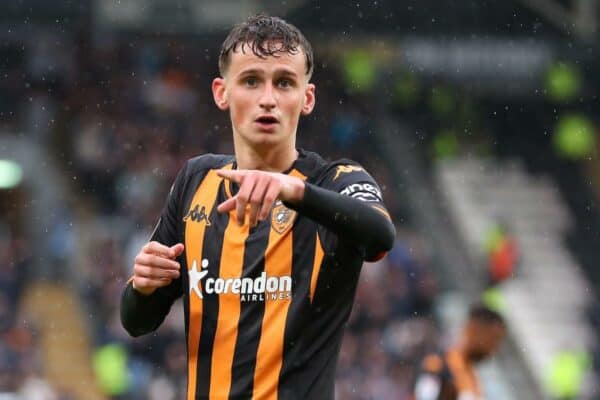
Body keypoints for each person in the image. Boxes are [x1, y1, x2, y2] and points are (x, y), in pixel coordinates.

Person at [120, 14, 395, 399]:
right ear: (222, 92)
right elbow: (137, 321)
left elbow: (380, 237)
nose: (268, 98)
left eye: (284, 82)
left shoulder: (336, 181)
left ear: (307, 98)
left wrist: (292, 191)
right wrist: (144, 287)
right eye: (251, 81)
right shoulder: (195, 181)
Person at [413, 305, 507, 400]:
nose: (494, 349)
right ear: (473, 329)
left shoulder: (473, 380)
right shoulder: (438, 365)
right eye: (493, 339)